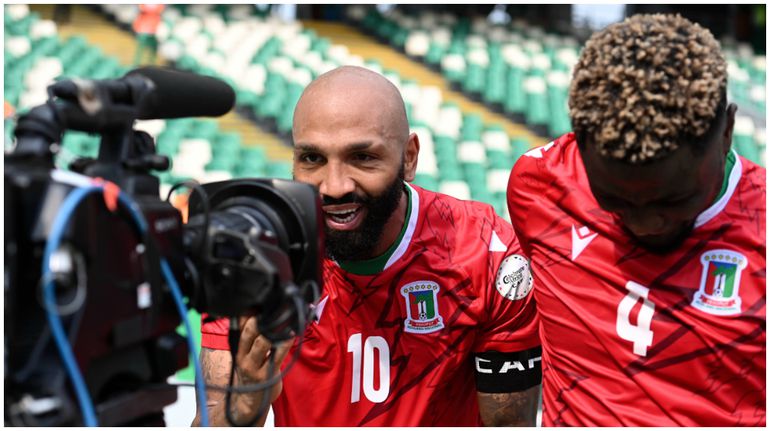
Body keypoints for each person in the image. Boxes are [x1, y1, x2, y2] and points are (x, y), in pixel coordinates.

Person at [192, 66, 542, 426]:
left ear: (409, 158)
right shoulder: (251, 253)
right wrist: (246, 409)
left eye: (362, 157)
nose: (334, 185)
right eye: (313, 158)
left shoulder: (489, 254)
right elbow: (213, 420)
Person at [506, 14, 765, 426]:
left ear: (728, 131)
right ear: (578, 141)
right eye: (615, 200)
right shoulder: (538, 187)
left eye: (674, 200)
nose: (645, 225)